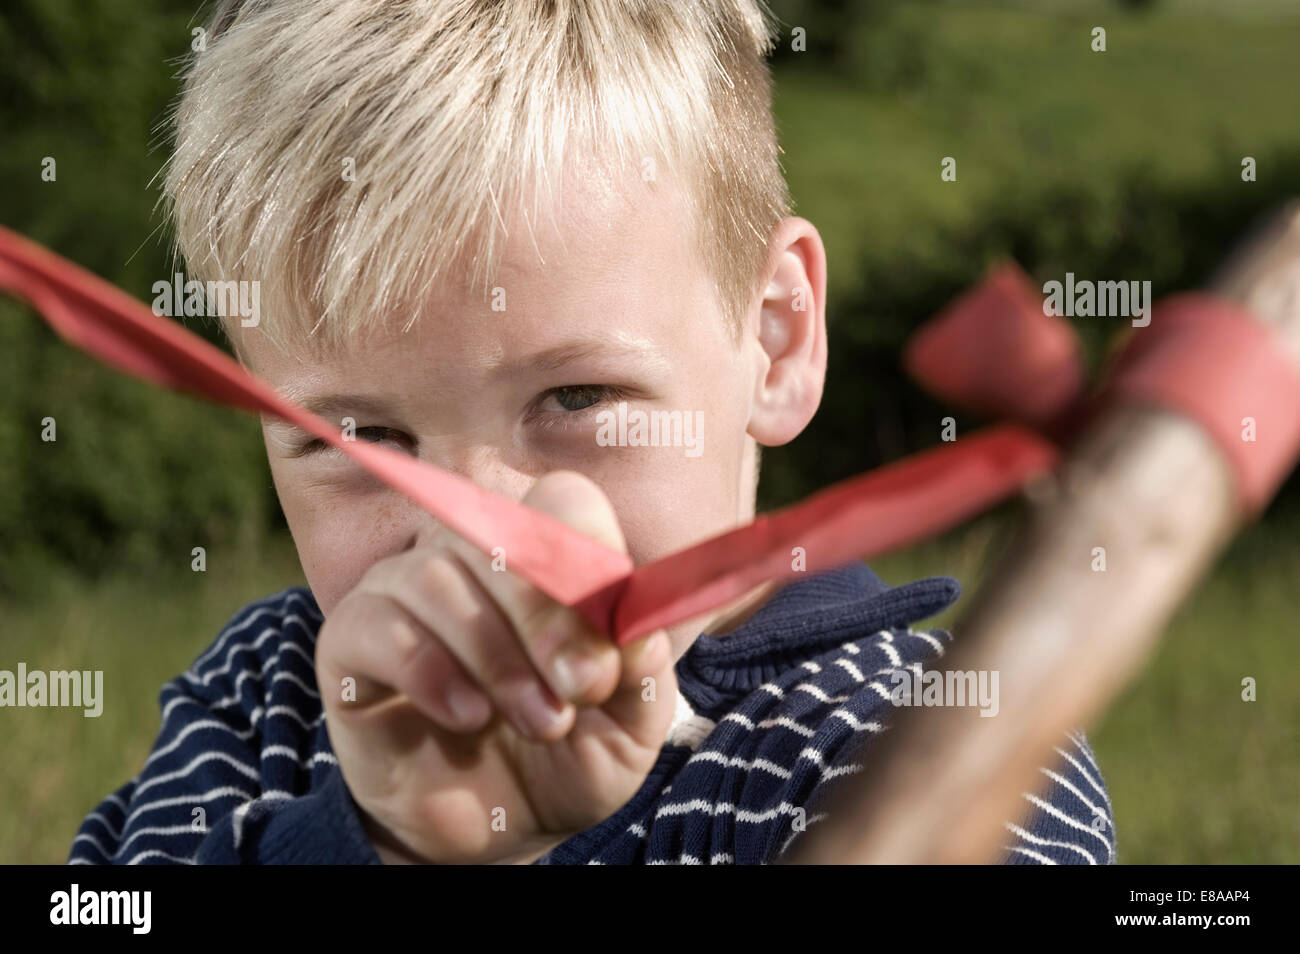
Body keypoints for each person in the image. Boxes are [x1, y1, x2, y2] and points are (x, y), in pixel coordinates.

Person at [69, 0, 1115, 865]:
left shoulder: (930, 740)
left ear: (776, 339)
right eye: (365, 442)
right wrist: (377, 843)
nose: (475, 538)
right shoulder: (263, 698)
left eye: (576, 399)